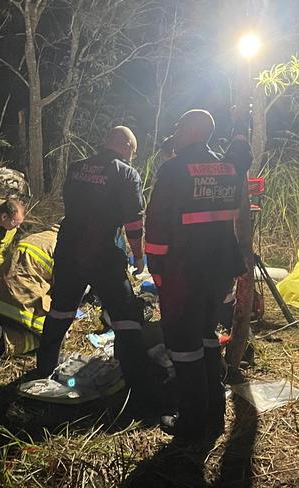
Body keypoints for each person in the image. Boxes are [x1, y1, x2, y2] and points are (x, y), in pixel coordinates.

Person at [28, 126, 152, 413]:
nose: (132, 157)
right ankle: (136, 382)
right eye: (132, 151)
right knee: (125, 315)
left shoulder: (76, 167)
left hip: (69, 246)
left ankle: (43, 368)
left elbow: (72, 205)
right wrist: (139, 255)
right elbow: (134, 221)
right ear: (125, 147)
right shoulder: (125, 173)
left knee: (61, 309)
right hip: (103, 250)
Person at [145, 109, 251, 441]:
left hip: (184, 269)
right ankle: (214, 410)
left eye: (179, 125)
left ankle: (191, 422)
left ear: (192, 131)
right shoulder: (230, 169)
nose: (174, 131)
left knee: (182, 341)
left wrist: (155, 268)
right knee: (206, 333)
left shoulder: (174, 170)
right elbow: (241, 162)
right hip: (219, 269)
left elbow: (157, 225)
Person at [0, 224, 59, 365]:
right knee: (52, 333)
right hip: (17, 305)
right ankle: (3, 343)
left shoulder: (37, 237)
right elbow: (64, 287)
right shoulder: (63, 245)